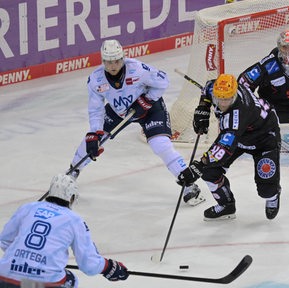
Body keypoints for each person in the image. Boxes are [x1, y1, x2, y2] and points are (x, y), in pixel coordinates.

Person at [67, 39, 205, 206]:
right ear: (103, 61)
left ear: (123, 58)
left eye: (117, 61)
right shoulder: (96, 80)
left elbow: (163, 81)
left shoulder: (138, 69)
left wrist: (147, 100)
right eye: (109, 62)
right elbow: (96, 109)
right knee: (91, 141)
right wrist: (95, 132)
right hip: (119, 111)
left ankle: (188, 184)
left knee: (160, 144)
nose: (113, 66)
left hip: (149, 109)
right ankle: (72, 173)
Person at [176, 74, 282, 221]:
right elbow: (206, 89)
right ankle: (227, 206)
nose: (223, 103)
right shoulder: (215, 88)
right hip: (239, 136)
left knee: (266, 189)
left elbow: (224, 148)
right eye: (220, 98)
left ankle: (273, 195)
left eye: (227, 99)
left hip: (264, 138)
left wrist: (199, 166)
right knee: (210, 172)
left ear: (234, 94)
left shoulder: (238, 113)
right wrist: (203, 108)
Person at [0, 174, 129, 287]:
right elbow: (89, 264)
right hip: (39, 285)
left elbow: (5, 240)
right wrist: (109, 267)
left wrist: (27, 259)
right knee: (71, 280)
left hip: (4, 277)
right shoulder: (74, 220)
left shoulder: (28, 208)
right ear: (72, 198)